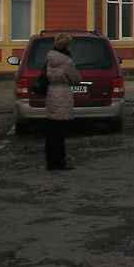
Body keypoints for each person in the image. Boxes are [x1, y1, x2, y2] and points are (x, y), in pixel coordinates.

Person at [44, 32, 81, 170]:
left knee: (51, 131)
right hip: (63, 94)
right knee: (60, 133)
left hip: (51, 93)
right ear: (67, 46)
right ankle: (60, 162)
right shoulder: (67, 61)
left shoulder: (50, 58)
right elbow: (76, 79)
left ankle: (50, 161)